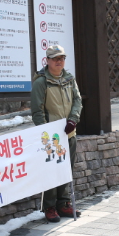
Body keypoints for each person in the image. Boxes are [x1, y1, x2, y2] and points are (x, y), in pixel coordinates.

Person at [31, 45, 82, 222]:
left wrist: (73, 119)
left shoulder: (69, 79)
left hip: (69, 132)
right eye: (55, 58)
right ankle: (50, 206)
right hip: (51, 137)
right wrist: (46, 134)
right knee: (51, 171)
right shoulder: (41, 82)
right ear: (48, 61)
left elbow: (77, 100)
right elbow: (37, 111)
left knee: (66, 169)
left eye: (62, 58)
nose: (59, 61)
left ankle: (63, 203)